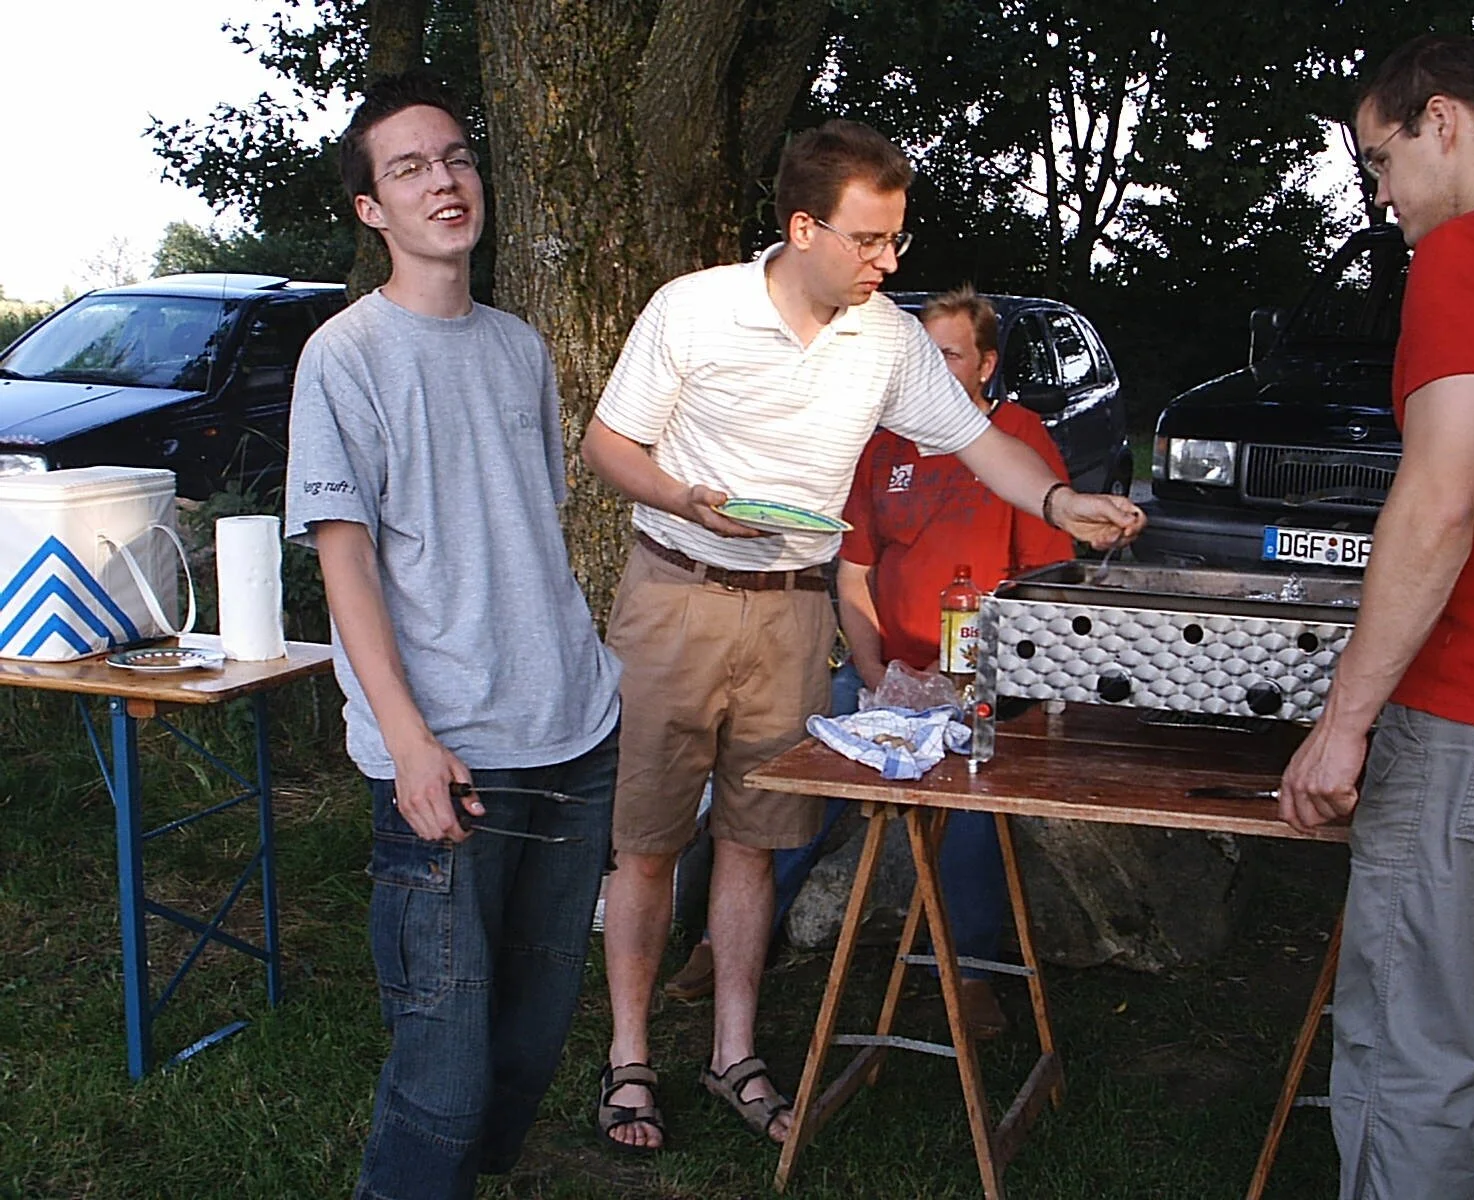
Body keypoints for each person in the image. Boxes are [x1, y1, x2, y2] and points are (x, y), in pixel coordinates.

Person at [580, 118, 1145, 1153]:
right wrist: (682, 497)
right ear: (804, 229)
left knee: (758, 838)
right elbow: (605, 442)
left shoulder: (884, 337)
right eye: (872, 241)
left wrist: (1062, 504)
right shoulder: (693, 311)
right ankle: (627, 1057)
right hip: (678, 591)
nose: (892, 262)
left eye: (895, 239)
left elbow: (980, 443)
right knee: (647, 841)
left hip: (796, 609)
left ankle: (732, 1054)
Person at [284, 72, 621, 1200]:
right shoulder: (344, 355)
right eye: (410, 167)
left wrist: (595, 683)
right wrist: (407, 738)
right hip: (449, 755)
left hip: (570, 736)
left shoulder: (520, 347)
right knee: (444, 1068)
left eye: (459, 156)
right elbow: (347, 563)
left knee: (527, 1053)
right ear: (371, 209)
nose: (446, 181)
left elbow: (522, 531)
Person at [1277, 33, 1474, 1200]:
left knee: (1418, 1057)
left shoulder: (1472, 255)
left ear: (1443, 122)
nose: (1380, 196)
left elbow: (1437, 504)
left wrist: (1343, 722)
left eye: (1379, 161)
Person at [665, 287, 1077, 1040]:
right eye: (921, 355)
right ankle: (721, 945)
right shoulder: (882, 448)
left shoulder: (1016, 436)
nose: (929, 370)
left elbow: (1044, 581)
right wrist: (875, 669)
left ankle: (974, 973)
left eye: (948, 354)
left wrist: (980, 678)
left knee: (971, 810)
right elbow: (852, 574)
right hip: (884, 670)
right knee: (798, 781)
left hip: (978, 679)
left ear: (986, 364)